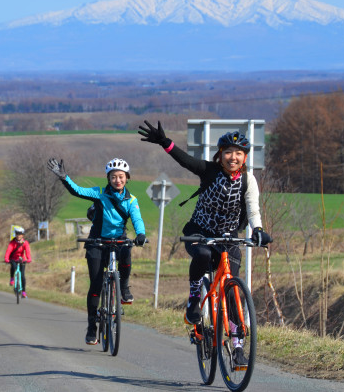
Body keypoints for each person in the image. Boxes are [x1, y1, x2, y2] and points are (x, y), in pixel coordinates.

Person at [138, 121, 271, 365]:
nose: (233, 157)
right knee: (200, 256)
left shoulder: (248, 181)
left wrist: (259, 230)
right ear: (220, 155)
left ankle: (238, 345)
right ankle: (193, 300)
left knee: (232, 292)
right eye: (228, 152)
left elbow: (252, 209)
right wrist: (164, 142)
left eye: (239, 153)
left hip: (228, 237)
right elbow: (186, 160)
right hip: (199, 231)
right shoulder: (209, 170)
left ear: (245, 157)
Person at [47, 157, 147, 346]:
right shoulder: (99, 193)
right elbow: (77, 190)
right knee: (96, 284)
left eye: (121, 177)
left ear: (127, 178)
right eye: (113, 177)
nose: (117, 180)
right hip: (96, 241)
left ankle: (124, 287)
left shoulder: (131, 200)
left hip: (118, 240)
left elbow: (137, 218)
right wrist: (64, 178)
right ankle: (92, 327)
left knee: (127, 250)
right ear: (108, 179)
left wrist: (141, 233)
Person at [4, 225, 31, 298]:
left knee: (22, 276)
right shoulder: (12, 243)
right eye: (17, 234)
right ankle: (12, 278)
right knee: (13, 266)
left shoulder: (25, 243)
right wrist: (6, 258)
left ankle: (23, 292)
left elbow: (27, 251)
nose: (18, 236)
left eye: (20, 234)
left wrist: (29, 258)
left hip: (22, 259)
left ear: (22, 235)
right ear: (15, 235)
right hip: (13, 259)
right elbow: (8, 251)